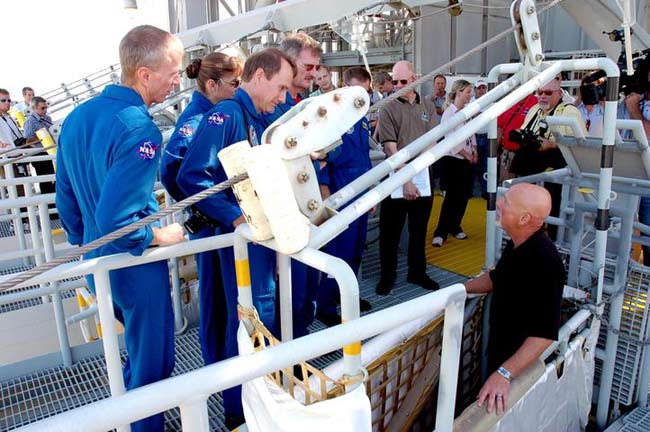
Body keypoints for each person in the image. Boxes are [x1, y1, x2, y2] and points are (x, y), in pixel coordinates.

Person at [55, 25, 186, 432]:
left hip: (98, 265)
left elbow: (66, 198)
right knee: (153, 368)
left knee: (130, 355)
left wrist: (84, 240)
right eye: (173, 71)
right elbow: (120, 221)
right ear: (144, 74)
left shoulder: (77, 117)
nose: (178, 80)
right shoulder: (139, 128)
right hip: (134, 270)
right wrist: (159, 235)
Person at [177, 47, 295, 428]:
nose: (282, 97)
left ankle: (257, 400)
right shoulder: (228, 114)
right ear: (258, 77)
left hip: (257, 240)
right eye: (279, 88)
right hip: (242, 240)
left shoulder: (254, 117)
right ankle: (239, 410)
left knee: (255, 318)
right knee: (248, 321)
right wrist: (234, 220)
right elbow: (190, 175)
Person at [160, 52, 242, 370]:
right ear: (212, 84)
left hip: (217, 218)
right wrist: (207, 207)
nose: (239, 89)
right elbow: (172, 169)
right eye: (234, 83)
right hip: (213, 223)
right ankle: (217, 367)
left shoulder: (213, 112)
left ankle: (220, 364)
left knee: (221, 298)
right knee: (216, 298)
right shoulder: (198, 117)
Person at [465, 183, 565, 415]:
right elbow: (497, 277)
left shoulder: (545, 261)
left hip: (513, 370)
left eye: (506, 202)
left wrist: (504, 374)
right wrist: (457, 290)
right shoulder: (519, 243)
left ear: (524, 219)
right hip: (500, 354)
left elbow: (544, 334)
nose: (498, 204)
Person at [265, 33, 325, 338]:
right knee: (287, 302)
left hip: (303, 217)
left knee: (304, 297)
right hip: (284, 225)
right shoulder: (273, 111)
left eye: (317, 68)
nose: (313, 73)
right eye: (308, 66)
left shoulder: (301, 107)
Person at [315, 66, 374, 326]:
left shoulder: (360, 119)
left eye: (366, 92)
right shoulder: (332, 118)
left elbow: (365, 157)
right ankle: (326, 304)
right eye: (358, 92)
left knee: (357, 248)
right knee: (339, 250)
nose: (362, 98)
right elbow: (320, 160)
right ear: (346, 88)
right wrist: (325, 192)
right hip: (341, 190)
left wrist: (372, 190)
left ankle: (348, 295)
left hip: (361, 188)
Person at [376, 60, 440, 295]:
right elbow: (390, 147)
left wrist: (417, 173)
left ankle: (417, 272)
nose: (397, 86)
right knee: (390, 233)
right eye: (394, 82)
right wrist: (407, 179)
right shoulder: (388, 107)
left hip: (422, 175)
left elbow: (433, 139)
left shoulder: (428, 106)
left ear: (414, 79)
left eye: (403, 81)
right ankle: (387, 276)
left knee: (419, 230)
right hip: (397, 176)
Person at [508, 78, 586, 239]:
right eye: (540, 92)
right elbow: (524, 132)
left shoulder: (569, 112)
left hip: (555, 175)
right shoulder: (534, 110)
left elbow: (581, 144)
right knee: (525, 209)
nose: (542, 96)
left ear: (559, 93)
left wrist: (553, 144)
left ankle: (552, 242)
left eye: (548, 93)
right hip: (529, 170)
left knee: (553, 212)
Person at [432, 80, 477, 247]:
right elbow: (451, 139)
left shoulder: (466, 112)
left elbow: (471, 133)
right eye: (467, 91)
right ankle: (441, 231)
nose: (470, 95)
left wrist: (475, 151)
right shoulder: (449, 114)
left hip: (466, 159)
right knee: (451, 197)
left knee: (464, 196)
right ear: (458, 92)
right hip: (453, 161)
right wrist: (467, 154)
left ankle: (455, 225)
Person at [496, 93, 537, 182]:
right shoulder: (508, 102)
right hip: (507, 154)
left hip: (524, 155)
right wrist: (495, 150)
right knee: (506, 184)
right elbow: (499, 127)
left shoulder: (535, 102)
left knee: (522, 187)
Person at [23, 96, 56, 200]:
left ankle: (53, 203)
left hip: (49, 152)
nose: (45, 110)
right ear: (35, 108)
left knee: (53, 177)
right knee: (45, 180)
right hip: (39, 153)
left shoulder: (47, 119)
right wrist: (42, 136)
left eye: (46, 107)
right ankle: (48, 205)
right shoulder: (30, 121)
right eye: (42, 108)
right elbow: (28, 140)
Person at [473, 79, 489, 198]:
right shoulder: (469, 103)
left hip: (488, 137)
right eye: (479, 88)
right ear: (475, 90)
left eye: (483, 87)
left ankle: (485, 191)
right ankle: (470, 189)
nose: (481, 90)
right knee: (472, 164)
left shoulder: (491, 102)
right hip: (474, 137)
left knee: (486, 165)